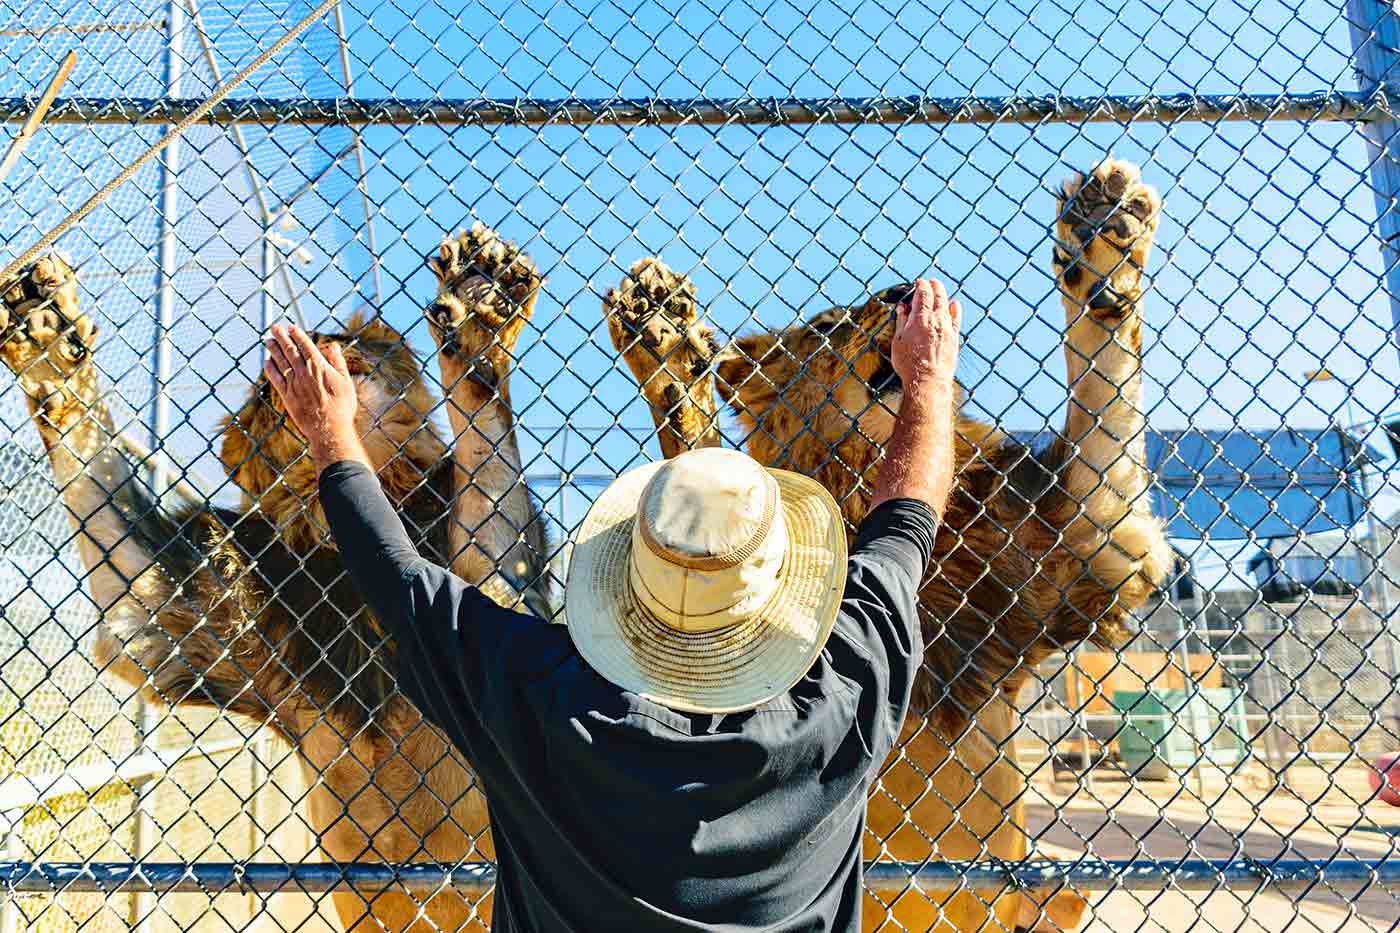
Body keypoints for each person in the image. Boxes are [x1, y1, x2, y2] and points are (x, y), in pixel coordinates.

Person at [262, 277, 961, 932]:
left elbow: (398, 580)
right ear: (782, 573)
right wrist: (927, 381)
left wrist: (331, 432)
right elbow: (907, 518)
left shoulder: (543, 695)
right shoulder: (846, 685)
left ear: (626, 571)